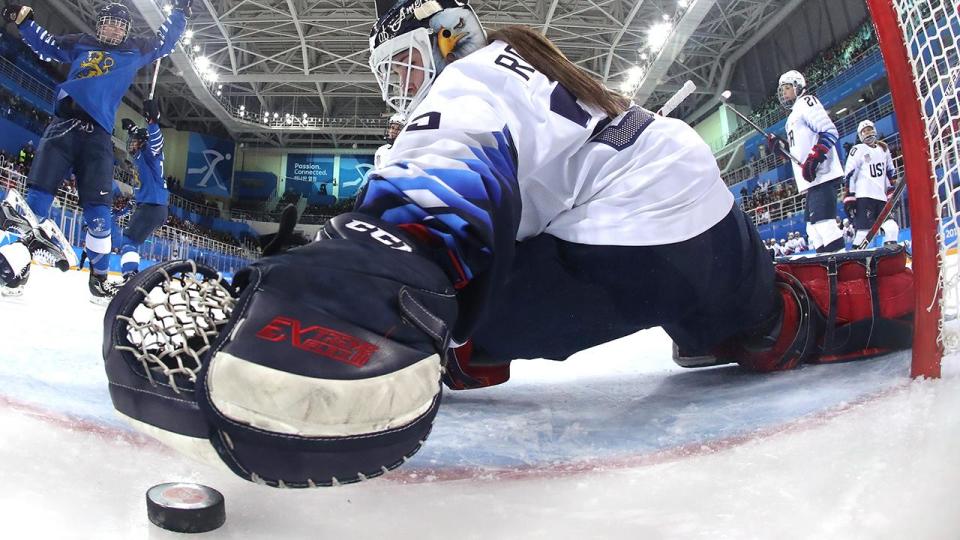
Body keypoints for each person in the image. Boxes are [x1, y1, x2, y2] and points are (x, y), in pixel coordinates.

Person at [102, 0, 915, 488]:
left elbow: (428, 206)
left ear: (443, 38)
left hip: (628, 247)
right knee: (755, 326)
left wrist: (353, 286)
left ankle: (463, 346)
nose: (400, 85)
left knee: (431, 310)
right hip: (704, 218)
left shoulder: (472, 76)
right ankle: (801, 314)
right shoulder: (530, 69)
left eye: (404, 62)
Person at [0, 1, 188, 301]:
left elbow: (165, 40)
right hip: (61, 128)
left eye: (119, 24)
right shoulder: (79, 43)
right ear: (99, 25)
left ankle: (99, 281)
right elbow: (46, 45)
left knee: (99, 216)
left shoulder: (136, 49)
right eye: (108, 22)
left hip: (98, 140)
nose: (114, 28)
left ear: (126, 30)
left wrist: (180, 12)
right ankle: (16, 270)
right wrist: (23, 22)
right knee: (36, 203)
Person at [767, 70, 845, 253]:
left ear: (798, 86)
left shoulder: (807, 102)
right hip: (812, 181)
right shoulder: (792, 117)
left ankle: (842, 266)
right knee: (813, 229)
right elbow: (797, 152)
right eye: (782, 90)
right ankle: (827, 268)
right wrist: (781, 147)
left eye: (787, 88)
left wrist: (814, 159)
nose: (784, 93)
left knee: (825, 224)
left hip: (822, 175)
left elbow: (830, 132)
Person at [117, 100, 168, 282]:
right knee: (132, 242)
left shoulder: (152, 154)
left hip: (152, 206)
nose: (131, 144)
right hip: (153, 206)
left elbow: (156, 141)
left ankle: (130, 276)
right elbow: (143, 139)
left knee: (128, 242)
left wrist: (153, 122)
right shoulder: (143, 157)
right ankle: (131, 274)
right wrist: (132, 130)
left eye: (135, 142)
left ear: (143, 144)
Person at [843, 120, 899, 246]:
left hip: (881, 199)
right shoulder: (857, 150)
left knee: (892, 228)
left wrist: (891, 193)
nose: (868, 133)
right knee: (864, 235)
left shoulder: (883, 148)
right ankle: (856, 263)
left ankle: (888, 260)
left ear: (874, 130)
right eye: (864, 131)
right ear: (860, 135)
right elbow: (849, 174)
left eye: (869, 129)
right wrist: (850, 197)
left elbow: (890, 173)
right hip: (864, 199)